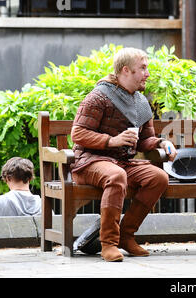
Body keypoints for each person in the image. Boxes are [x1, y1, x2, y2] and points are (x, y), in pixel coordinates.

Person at [70, 47, 177, 262]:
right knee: (117, 175)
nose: (147, 74)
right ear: (126, 70)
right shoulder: (98, 97)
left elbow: (145, 140)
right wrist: (112, 141)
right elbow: (77, 133)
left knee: (158, 178)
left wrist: (162, 142)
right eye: (143, 68)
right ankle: (108, 243)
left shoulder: (140, 102)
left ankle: (126, 236)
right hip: (89, 162)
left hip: (122, 161)